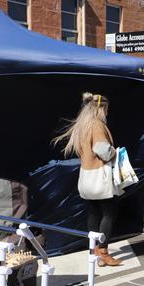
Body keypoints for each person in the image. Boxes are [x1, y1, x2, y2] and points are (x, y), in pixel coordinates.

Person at [52, 92, 122, 267]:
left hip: (86, 176)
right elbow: (103, 150)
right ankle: (103, 251)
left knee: (93, 213)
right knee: (109, 213)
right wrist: (116, 152)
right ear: (101, 108)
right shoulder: (96, 125)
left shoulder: (82, 126)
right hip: (100, 176)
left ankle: (94, 251)